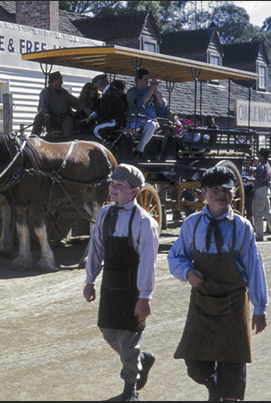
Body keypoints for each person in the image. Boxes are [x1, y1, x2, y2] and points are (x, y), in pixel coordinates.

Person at [168, 165, 268, 401]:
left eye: (227, 189)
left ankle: (227, 396)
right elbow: (176, 257)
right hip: (202, 304)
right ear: (204, 193)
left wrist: (259, 309)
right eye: (215, 189)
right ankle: (214, 387)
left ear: (234, 192)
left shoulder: (243, 227)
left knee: (233, 366)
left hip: (234, 304)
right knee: (195, 365)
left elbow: (254, 268)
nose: (221, 194)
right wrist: (187, 271)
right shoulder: (191, 224)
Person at [84, 164, 160, 401]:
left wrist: (144, 296)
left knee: (128, 340)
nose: (113, 189)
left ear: (135, 191)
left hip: (133, 289)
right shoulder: (105, 213)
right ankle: (140, 360)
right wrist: (90, 280)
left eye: (119, 185)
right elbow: (96, 247)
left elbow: (148, 263)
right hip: (110, 283)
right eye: (111, 184)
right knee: (108, 332)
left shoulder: (145, 222)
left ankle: (130, 390)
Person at [127, 68, 167, 159]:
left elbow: (162, 105)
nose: (147, 82)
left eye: (148, 80)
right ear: (138, 80)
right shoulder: (132, 92)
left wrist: (156, 93)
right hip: (136, 119)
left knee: (152, 125)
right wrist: (151, 90)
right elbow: (141, 103)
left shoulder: (152, 90)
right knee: (130, 132)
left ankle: (139, 150)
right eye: (145, 80)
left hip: (150, 120)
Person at [32, 71, 82, 137]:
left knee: (69, 121)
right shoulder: (46, 92)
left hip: (64, 117)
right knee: (38, 117)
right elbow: (42, 106)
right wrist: (45, 113)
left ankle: (67, 141)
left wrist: (83, 108)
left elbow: (74, 101)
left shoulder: (63, 92)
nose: (62, 82)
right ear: (54, 81)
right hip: (52, 118)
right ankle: (33, 138)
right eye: (60, 80)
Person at [252, 148, 271, 241]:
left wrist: (251, 169)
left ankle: (259, 235)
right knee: (268, 213)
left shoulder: (262, 166)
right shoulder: (268, 166)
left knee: (258, 213)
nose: (258, 157)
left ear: (262, 157)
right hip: (266, 190)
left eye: (259, 155)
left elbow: (256, 173)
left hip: (260, 191)